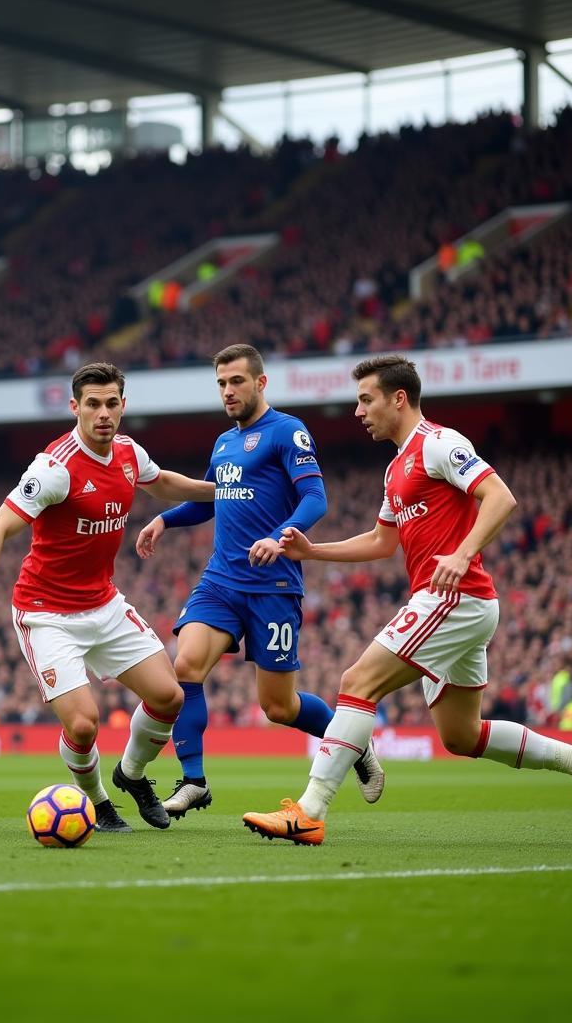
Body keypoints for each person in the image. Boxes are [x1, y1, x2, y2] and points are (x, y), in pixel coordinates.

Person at [242, 354, 572, 845]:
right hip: (463, 603)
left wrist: (463, 555)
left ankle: (310, 811)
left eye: (366, 399)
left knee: (357, 681)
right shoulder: (396, 468)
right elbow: (382, 542)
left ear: (399, 398)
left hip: (453, 597)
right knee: (461, 736)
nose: (358, 412)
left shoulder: (439, 443)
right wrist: (313, 551)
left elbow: (500, 498)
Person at [0, 362, 214, 832]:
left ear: (123, 406)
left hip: (104, 604)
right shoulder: (55, 468)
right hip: (46, 614)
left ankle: (131, 776)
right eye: (92, 404)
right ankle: (98, 801)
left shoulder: (130, 454)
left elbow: (164, 484)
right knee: (83, 726)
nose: (103, 413)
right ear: (75, 407)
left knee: (169, 696)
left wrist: (223, 491)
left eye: (111, 403)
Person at [135, 344, 383, 818]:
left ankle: (355, 745)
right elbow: (213, 498)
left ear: (260, 383)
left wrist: (278, 537)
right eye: (222, 384)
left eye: (236, 382)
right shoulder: (224, 442)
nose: (228, 392)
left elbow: (315, 499)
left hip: (273, 586)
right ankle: (194, 781)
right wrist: (165, 519)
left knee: (279, 707)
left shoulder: (288, 432)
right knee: (184, 667)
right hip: (221, 580)